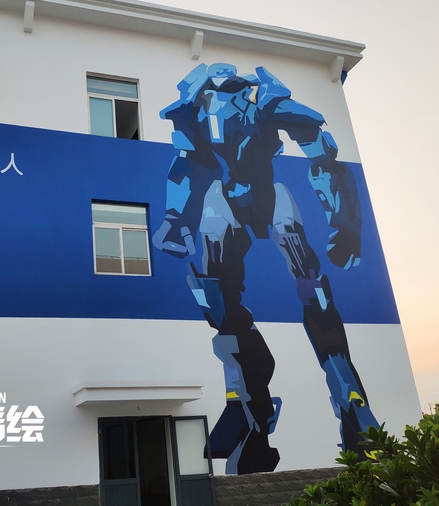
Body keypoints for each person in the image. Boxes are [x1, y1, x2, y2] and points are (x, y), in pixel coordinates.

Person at [153, 63, 379, 474]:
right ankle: (245, 396)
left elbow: (322, 154)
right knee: (214, 295)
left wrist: (345, 224)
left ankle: (349, 395)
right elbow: (188, 164)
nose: (219, 102)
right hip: (226, 201)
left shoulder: (264, 103)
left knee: (313, 290)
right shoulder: (194, 112)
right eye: (211, 94)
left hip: (269, 198)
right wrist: (175, 217)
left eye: (228, 91)